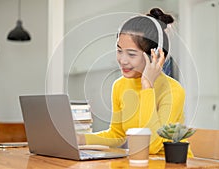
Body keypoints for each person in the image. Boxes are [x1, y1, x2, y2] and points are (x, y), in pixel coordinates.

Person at [78, 8, 191, 155]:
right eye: (119, 51)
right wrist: (80, 139)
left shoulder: (173, 90)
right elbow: (117, 135)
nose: (122, 60)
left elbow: (151, 146)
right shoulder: (119, 85)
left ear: (155, 55)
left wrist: (147, 86)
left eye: (131, 54)